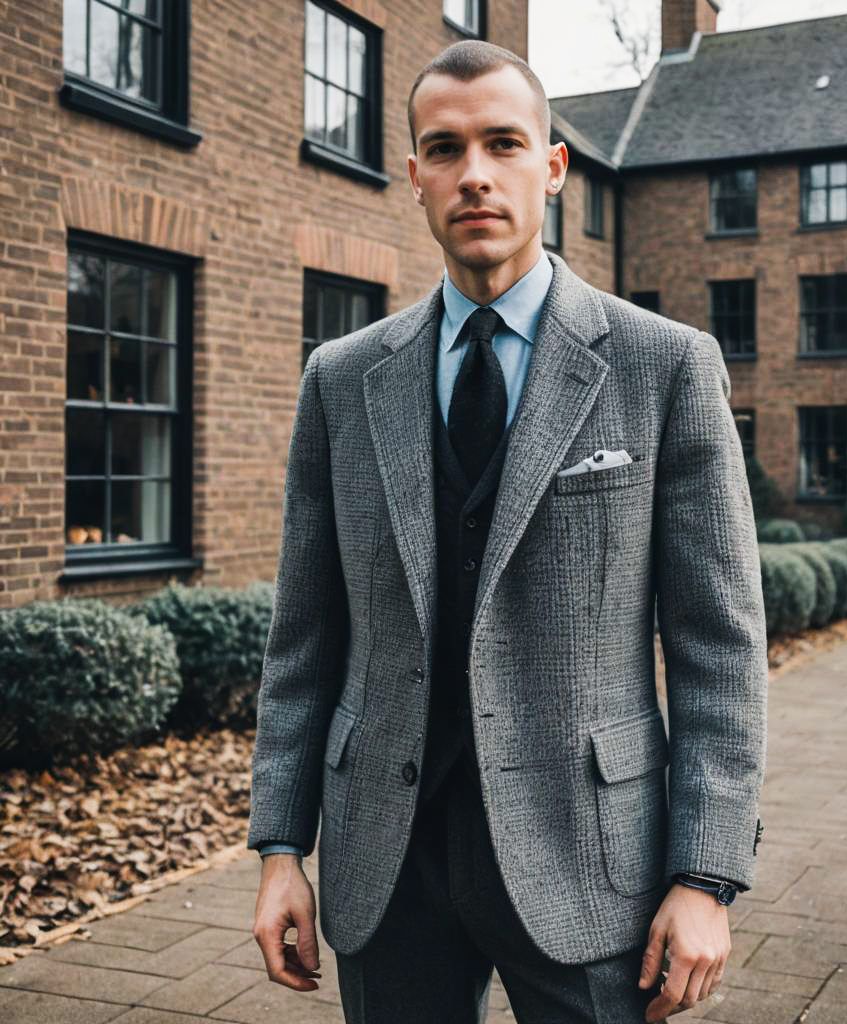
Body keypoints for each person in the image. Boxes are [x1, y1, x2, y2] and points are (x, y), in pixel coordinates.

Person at [248, 39, 767, 1024]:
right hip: (383, 859)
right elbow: (304, 642)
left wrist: (705, 873)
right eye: (444, 149)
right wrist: (280, 849)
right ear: (412, 176)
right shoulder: (341, 379)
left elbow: (717, 648)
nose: (474, 174)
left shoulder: (664, 367)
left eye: (503, 143)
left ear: (553, 166)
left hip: (590, 858)